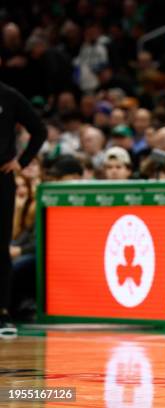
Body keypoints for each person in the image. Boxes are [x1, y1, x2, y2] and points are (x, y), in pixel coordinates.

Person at [0, 80, 47, 337]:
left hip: (2, 179)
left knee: (1, 246)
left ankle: (3, 312)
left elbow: (39, 130)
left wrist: (22, 161)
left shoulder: (9, 96)